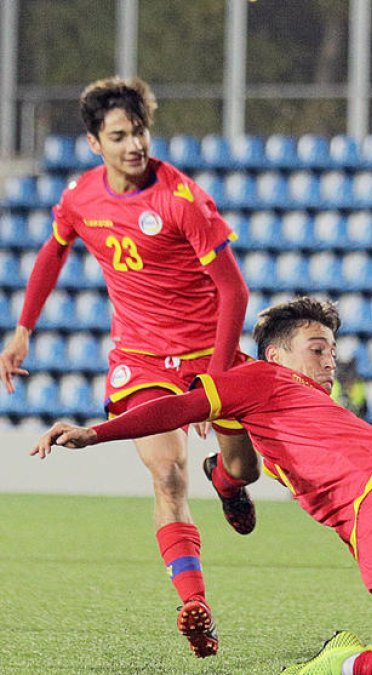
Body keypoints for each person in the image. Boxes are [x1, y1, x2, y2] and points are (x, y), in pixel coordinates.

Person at [33, 297, 372, 675]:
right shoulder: (263, 378)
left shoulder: (296, 408)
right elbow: (178, 406)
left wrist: (229, 472)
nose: (331, 362)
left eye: (333, 351)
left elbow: (243, 455)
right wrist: (96, 432)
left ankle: (344, 666)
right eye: (317, 350)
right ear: (275, 355)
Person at [0, 77, 258, 658]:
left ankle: (229, 479)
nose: (134, 144)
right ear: (95, 143)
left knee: (245, 468)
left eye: (139, 131)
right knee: (167, 476)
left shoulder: (182, 198)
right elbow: (53, 250)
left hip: (205, 353)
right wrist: (22, 331)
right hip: (139, 359)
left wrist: (214, 384)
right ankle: (196, 604)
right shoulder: (80, 197)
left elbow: (233, 293)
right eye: (119, 135)